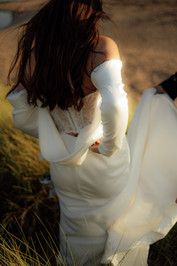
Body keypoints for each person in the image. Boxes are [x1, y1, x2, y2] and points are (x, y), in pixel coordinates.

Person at [6, 0, 177, 265]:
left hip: (62, 165)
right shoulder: (100, 48)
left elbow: (22, 119)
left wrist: (58, 138)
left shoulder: (37, 55)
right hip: (102, 163)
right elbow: (116, 106)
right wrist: (109, 147)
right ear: (91, 15)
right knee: (118, 222)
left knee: (76, 227)